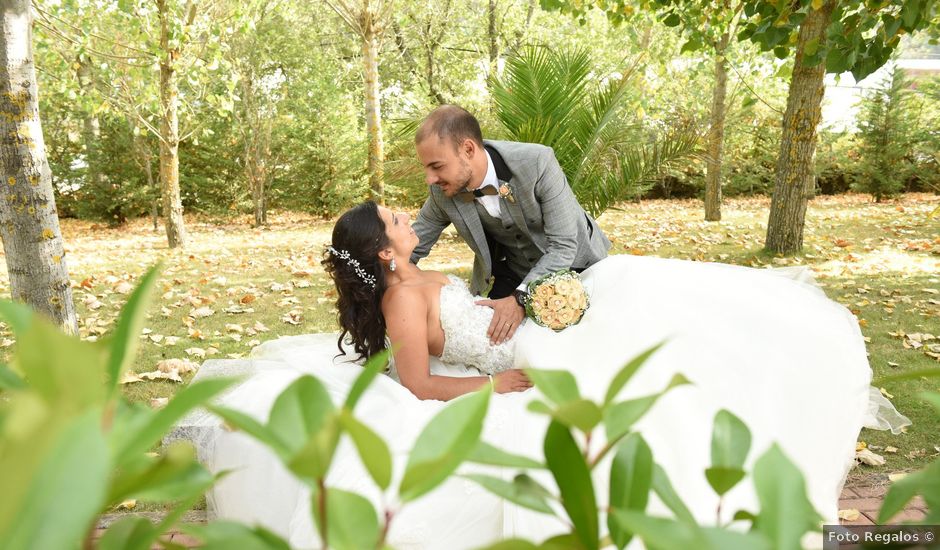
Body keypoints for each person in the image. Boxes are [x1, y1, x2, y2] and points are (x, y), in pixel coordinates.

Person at [179, 199, 911, 549]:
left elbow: (462, 320)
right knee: (646, 341)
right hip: (516, 370)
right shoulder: (403, 300)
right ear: (383, 253)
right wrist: (493, 386)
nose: (409, 218)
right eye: (397, 221)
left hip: (526, 344)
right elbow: (419, 385)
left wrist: (514, 306)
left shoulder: (418, 279)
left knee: (644, 294)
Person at [411, 105, 610, 345]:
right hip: (512, 272)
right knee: (491, 341)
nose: (429, 179)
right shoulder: (441, 192)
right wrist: (369, 281)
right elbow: (411, 245)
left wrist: (521, 299)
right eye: (426, 168)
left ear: (468, 149)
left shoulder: (537, 162)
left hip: (577, 266)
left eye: (437, 166)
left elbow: (564, 245)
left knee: (581, 343)